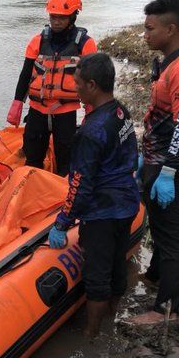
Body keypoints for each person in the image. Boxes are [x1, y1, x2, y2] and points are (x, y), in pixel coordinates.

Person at [126, 0, 179, 325]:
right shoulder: (168, 64)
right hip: (159, 159)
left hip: (173, 163)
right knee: (160, 225)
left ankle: (166, 310)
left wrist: (168, 171)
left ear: (171, 29)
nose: (144, 35)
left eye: (149, 29)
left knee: (171, 233)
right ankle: (157, 277)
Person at [48, 53, 140, 338]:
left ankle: (92, 335)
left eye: (76, 84)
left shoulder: (91, 131)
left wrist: (63, 223)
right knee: (116, 264)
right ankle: (112, 315)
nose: (73, 88)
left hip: (103, 211)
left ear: (91, 85)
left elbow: (80, 184)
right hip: (127, 203)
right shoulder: (119, 111)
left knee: (97, 275)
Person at [6, 0, 98, 176]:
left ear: (73, 16)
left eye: (61, 17)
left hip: (66, 113)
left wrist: (92, 112)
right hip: (37, 112)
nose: (56, 21)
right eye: (53, 16)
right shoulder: (37, 41)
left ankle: (62, 197)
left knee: (66, 162)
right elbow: (25, 74)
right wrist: (17, 103)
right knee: (32, 158)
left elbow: (92, 82)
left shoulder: (85, 44)